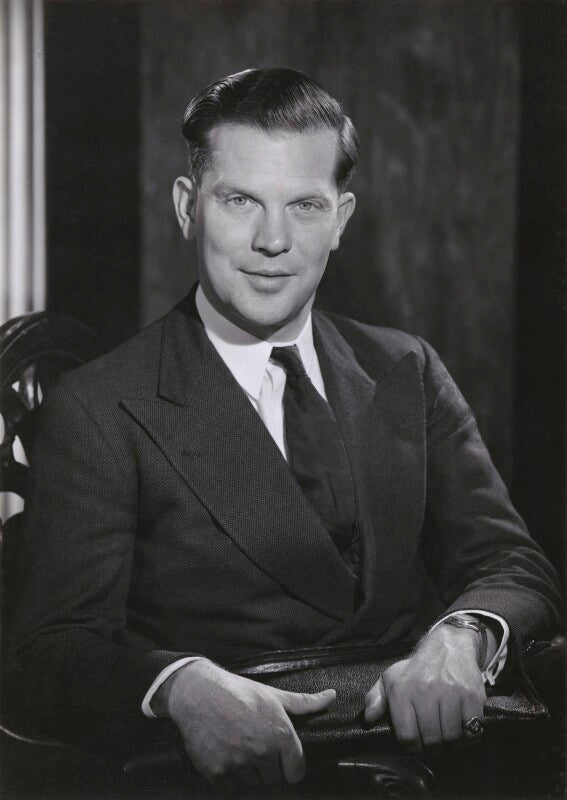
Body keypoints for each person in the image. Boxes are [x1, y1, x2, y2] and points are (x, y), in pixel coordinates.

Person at [9, 68, 562, 793]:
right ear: (188, 208)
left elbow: (511, 563)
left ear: (341, 219)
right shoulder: (101, 405)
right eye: (239, 200)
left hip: (433, 753)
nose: (273, 240)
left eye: (304, 206)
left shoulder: (404, 367)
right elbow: (51, 651)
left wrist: (463, 637)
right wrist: (179, 686)